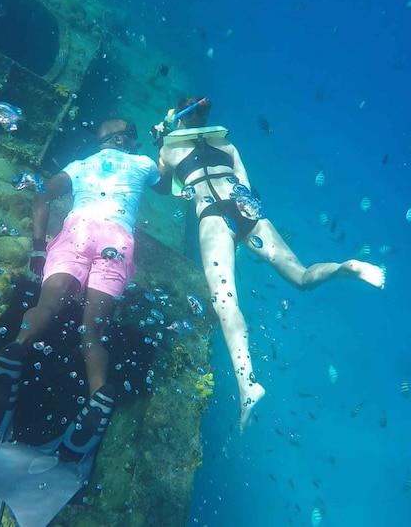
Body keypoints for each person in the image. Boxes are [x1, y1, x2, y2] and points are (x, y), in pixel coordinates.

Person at [156, 97, 386, 430]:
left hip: (210, 215)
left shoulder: (168, 149)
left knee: (226, 301)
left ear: (178, 116)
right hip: (244, 207)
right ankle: (343, 268)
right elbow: (246, 187)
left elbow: (163, 187)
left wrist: (161, 137)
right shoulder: (227, 144)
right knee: (302, 276)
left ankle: (248, 383)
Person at [0, 118, 163, 462]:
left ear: (101, 142)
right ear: (129, 140)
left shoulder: (82, 165)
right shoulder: (142, 163)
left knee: (46, 308)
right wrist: (163, 140)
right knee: (93, 331)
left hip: (78, 229)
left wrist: (38, 247)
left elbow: (43, 194)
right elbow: (167, 184)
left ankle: (14, 353)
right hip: (117, 239)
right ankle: (96, 397)